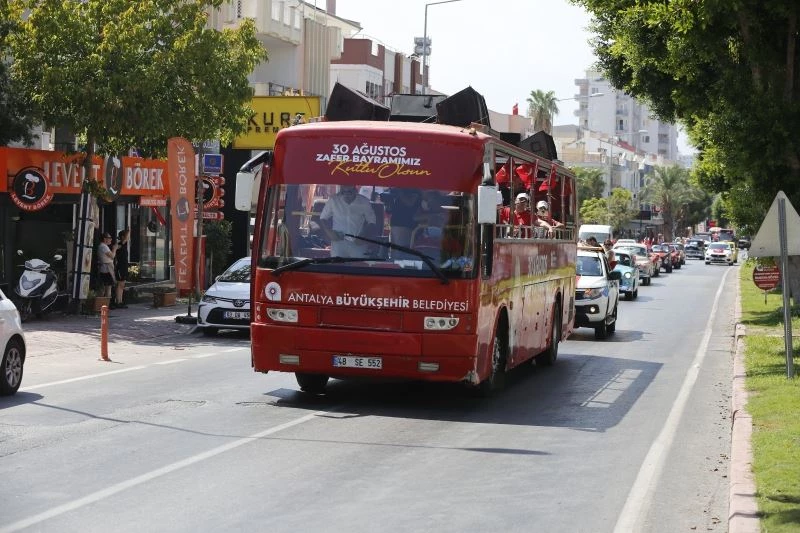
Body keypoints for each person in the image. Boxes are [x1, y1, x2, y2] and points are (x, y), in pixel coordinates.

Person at [319, 185, 377, 257]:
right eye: (343, 192)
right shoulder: (333, 200)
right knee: (337, 264)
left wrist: (364, 235)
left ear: (355, 190)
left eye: (349, 192)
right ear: (341, 190)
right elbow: (323, 218)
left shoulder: (364, 201)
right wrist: (329, 232)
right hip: (338, 242)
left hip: (357, 242)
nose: (346, 194)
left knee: (360, 264)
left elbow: (372, 222)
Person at [97, 232, 117, 301]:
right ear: (105, 239)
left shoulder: (103, 246)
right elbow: (112, 256)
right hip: (106, 270)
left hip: (105, 269)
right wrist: (114, 248)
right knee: (107, 288)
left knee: (104, 288)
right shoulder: (103, 246)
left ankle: (104, 303)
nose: (111, 240)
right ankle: (106, 304)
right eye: (109, 238)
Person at [114, 229, 130, 309]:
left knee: (122, 284)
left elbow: (126, 239)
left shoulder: (124, 244)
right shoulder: (119, 245)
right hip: (120, 267)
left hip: (124, 266)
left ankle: (120, 301)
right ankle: (118, 301)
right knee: (120, 284)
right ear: (123, 237)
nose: (128, 238)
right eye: (127, 236)